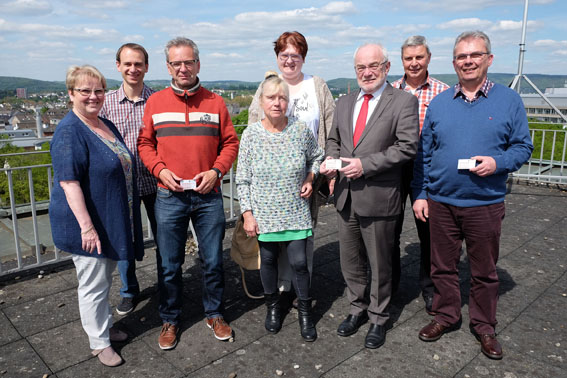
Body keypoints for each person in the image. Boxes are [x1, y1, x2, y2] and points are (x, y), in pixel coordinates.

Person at [412, 31, 533, 360]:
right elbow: (425, 155)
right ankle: (446, 315)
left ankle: (484, 326)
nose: (468, 61)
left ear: (488, 59)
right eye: (461, 57)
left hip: (484, 204)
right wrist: (421, 194)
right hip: (440, 202)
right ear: (454, 63)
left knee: (484, 271)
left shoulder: (508, 100)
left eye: (475, 55)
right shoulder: (439, 104)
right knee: (442, 267)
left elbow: (523, 147)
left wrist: (498, 162)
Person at [138, 37, 239, 350]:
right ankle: (170, 318)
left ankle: (214, 313)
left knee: (213, 261)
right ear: (168, 66)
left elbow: (230, 143)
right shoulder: (155, 103)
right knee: (169, 264)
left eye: (189, 62)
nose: (183, 68)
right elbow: (145, 144)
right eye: (176, 63)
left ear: (198, 63)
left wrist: (216, 171)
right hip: (170, 195)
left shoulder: (215, 102)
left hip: (208, 195)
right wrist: (159, 170)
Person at [320, 43, 419, 349]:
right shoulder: (346, 101)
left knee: (380, 263)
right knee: (351, 262)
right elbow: (334, 138)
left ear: (387, 67)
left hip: (379, 196)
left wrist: (365, 166)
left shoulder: (403, 101)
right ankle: (356, 308)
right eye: (360, 67)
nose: (366, 72)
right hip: (346, 196)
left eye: (373, 66)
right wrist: (333, 162)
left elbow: (407, 147)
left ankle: (378, 316)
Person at [49, 65, 145, 367]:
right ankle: (99, 343)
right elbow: (69, 182)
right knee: (93, 283)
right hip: (89, 225)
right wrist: (87, 228)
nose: (93, 96)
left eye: (99, 90)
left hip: (110, 219)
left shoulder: (101, 123)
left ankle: (103, 327)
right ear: (71, 94)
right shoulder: (70, 131)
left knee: (104, 279)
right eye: (85, 91)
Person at [248, 31, 335, 306]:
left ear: (303, 58)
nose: (289, 60)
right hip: (271, 183)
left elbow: (332, 129)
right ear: (277, 57)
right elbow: (252, 126)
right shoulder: (267, 87)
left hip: (309, 176)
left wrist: (327, 170)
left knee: (303, 236)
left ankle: (300, 290)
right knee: (273, 239)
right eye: (283, 55)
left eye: (294, 55)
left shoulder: (316, 85)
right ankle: (279, 289)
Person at [237, 74, 324, 341]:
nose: (277, 103)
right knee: (270, 261)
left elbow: (317, 157)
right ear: (262, 101)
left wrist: (311, 177)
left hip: (295, 209)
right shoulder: (251, 134)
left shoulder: (300, 130)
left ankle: (305, 313)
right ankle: (272, 307)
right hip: (264, 213)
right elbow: (242, 178)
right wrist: (248, 214)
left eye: (282, 98)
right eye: (271, 98)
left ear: (288, 102)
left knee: (299, 262)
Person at [391, 35, 449, 310]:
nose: (414, 63)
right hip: (394, 168)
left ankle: (430, 287)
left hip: (427, 168)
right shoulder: (389, 91)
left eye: (419, 57)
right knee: (389, 229)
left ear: (428, 58)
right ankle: (389, 286)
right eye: (408, 58)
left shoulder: (443, 92)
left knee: (429, 232)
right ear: (401, 61)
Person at [99, 43, 157, 316]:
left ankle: (168, 285)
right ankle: (129, 291)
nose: (133, 69)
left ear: (146, 67)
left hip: (157, 182)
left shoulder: (158, 100)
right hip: (122, 185)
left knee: (166, 240)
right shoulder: (106, 102)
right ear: (118, 66)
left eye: (138, 64)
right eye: (128, 64)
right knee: (124, 241)